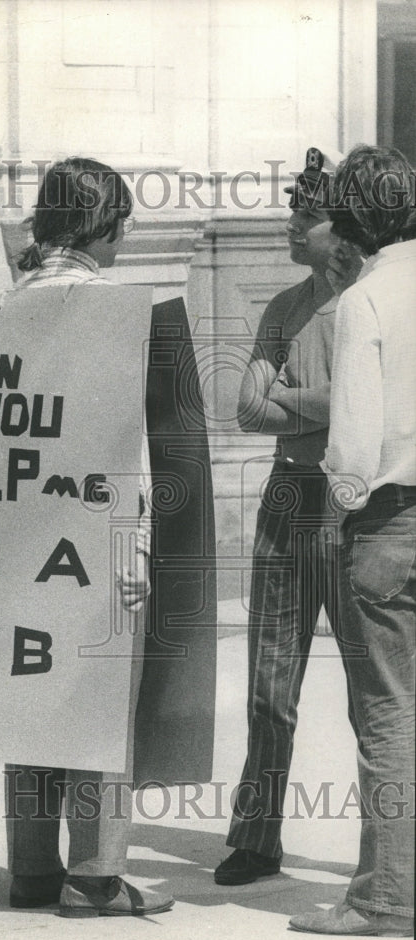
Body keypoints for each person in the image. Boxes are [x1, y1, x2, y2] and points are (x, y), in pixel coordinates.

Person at [5, 157, 174, 918]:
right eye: (122, 221)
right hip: (90, 538)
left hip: (9, 545)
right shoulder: (113, 310)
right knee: (98, 704)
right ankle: (97, 877)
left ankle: (31, 867)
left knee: (24, 694)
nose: (128, 235)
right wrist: (134, 550)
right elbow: (124, 445)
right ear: (99, 225)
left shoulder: (0, 305)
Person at [214, 147, 359, 886]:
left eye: (306, 215)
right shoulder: (281, 307)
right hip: (284, 498)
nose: (290, 225)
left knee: (375, 696)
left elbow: (362, 409)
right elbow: (243, 408)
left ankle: (386, 855)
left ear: (341, 227)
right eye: (291, 211)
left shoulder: (367, 307)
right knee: (269, 686)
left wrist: (296, 401)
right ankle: (255, 836)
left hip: (353, 500)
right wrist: (326, 403)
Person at [290, 144, 415, 937]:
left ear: (349, 222)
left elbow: (354, 441)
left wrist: (340, 508)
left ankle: (383, 896)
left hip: (389, 522)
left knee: (388, 713)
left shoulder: (366, 301)